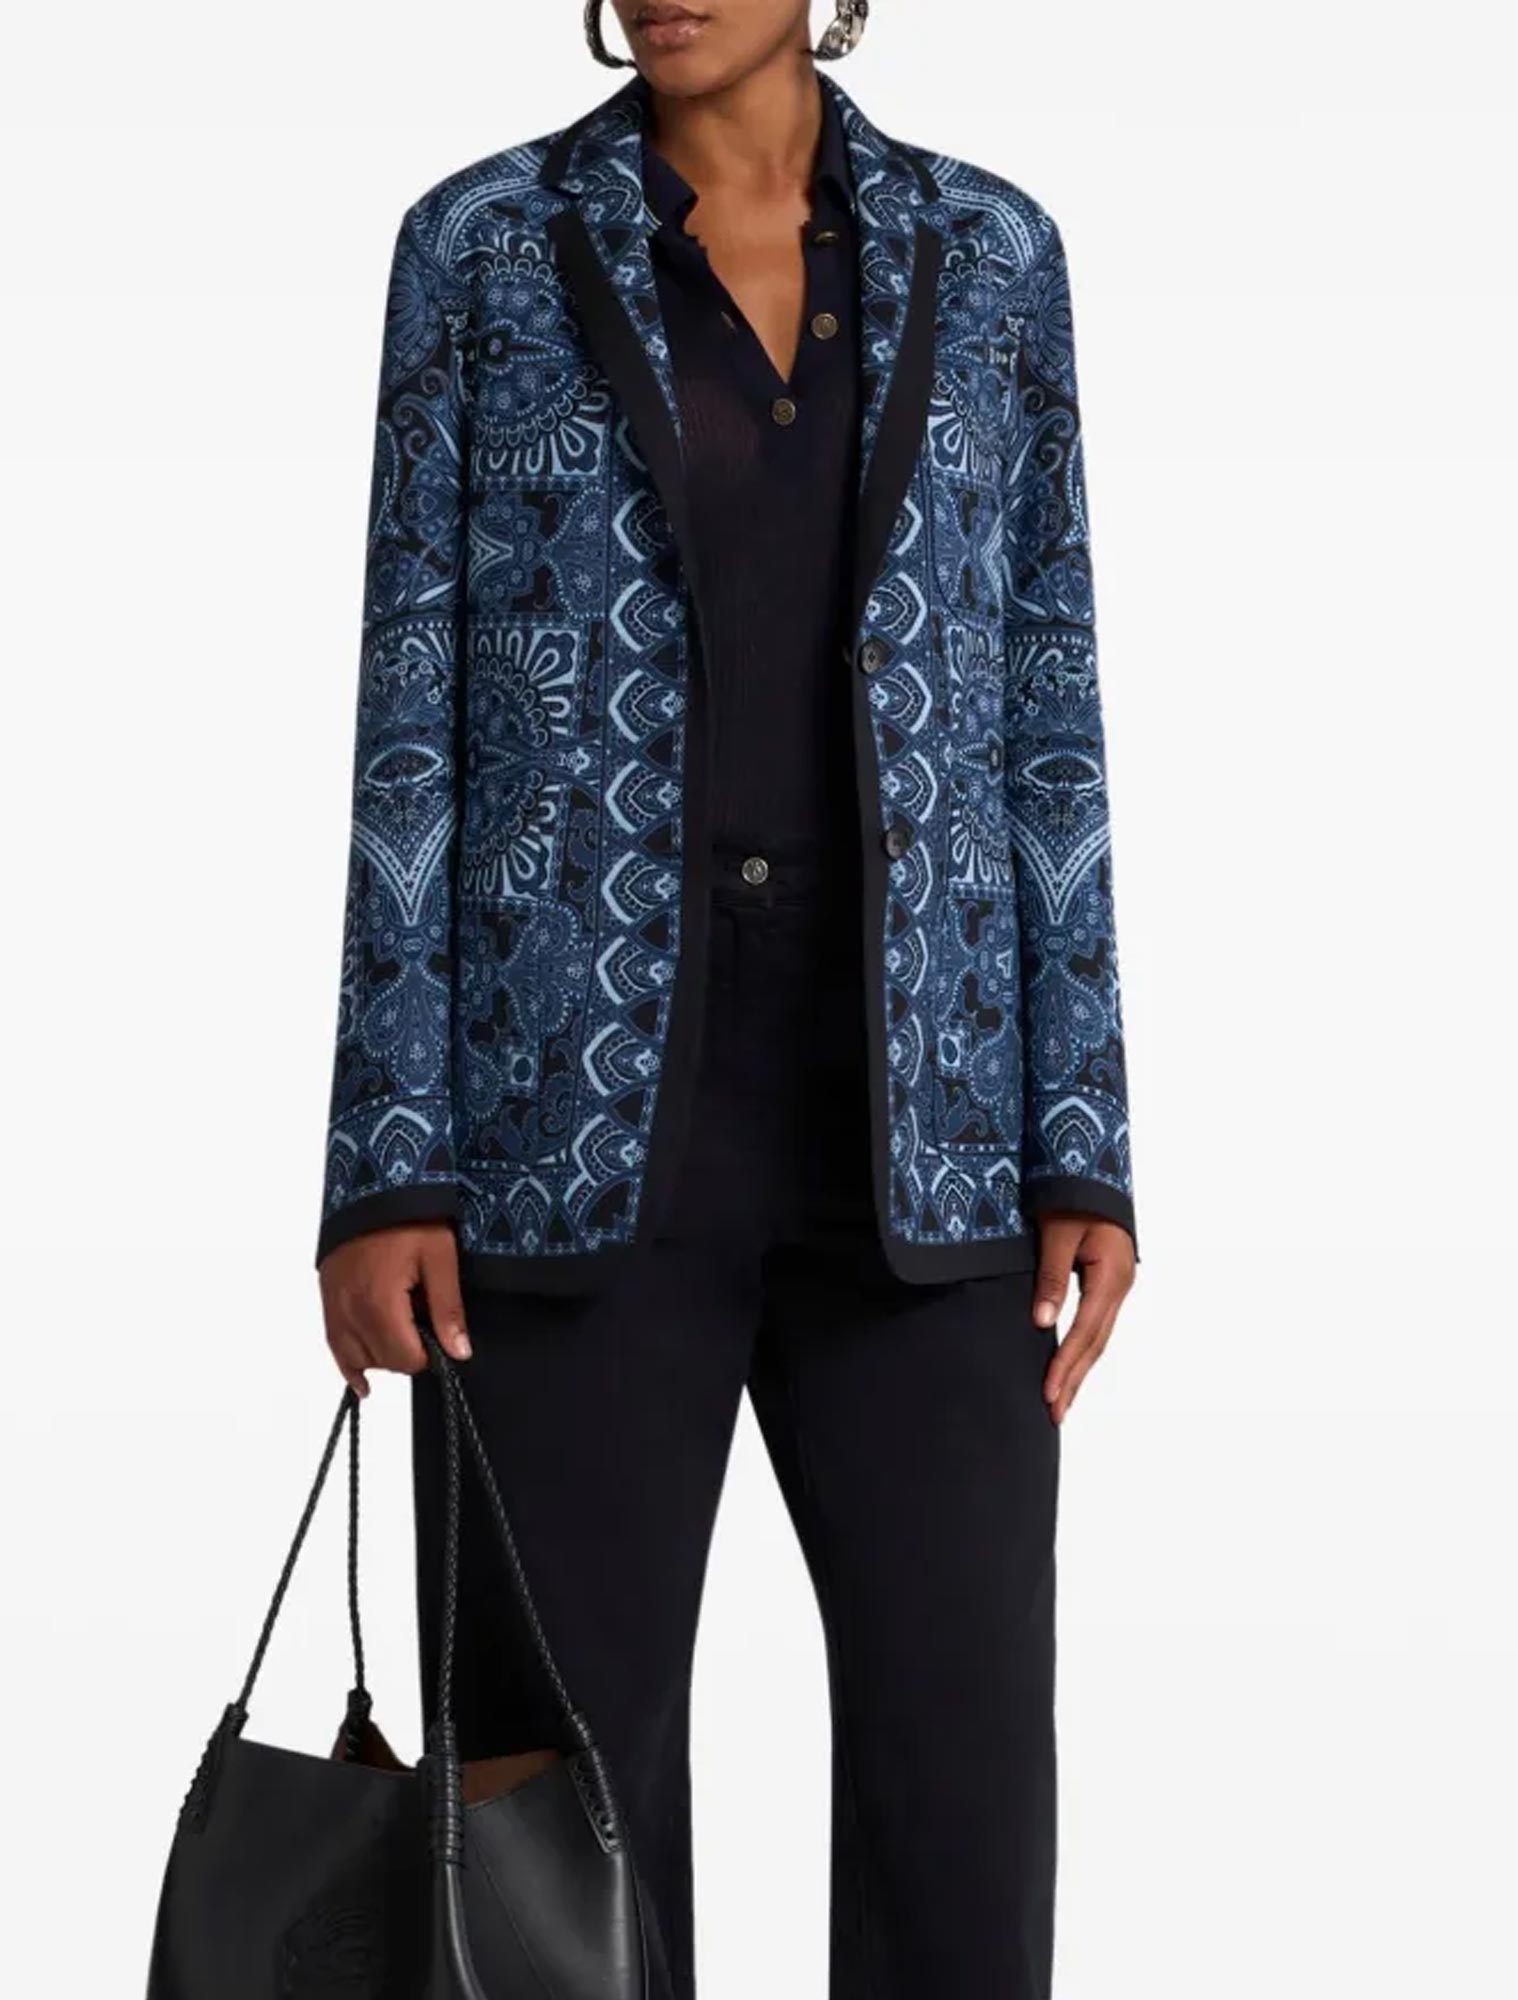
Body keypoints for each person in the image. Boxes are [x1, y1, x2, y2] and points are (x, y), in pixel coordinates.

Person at [316, 3, 1137, 1993]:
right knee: (556, 1830)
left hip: (925, 1122)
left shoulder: (993, 254)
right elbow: (410, 715)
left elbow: (1044, 706)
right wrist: (385, 1162)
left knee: (963, 1791)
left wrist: (1081, 1133)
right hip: (557, 1132)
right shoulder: (482, 247)